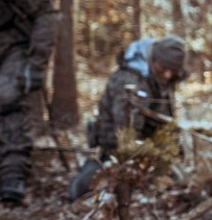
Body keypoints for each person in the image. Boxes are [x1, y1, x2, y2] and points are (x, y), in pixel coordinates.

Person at [68, 35, 188, 200]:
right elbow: (126, 131)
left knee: (179, 183)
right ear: (154, 59)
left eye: (173, 71)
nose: (167, 75)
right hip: (117, 150)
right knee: (87, 188)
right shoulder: (128, 80)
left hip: (151, 151)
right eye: (163, 68)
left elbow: (166, 120)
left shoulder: (162, 79)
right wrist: (141, 155)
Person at [0, 0, 58, 205]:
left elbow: (46, 15)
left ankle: (12, 175)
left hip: (16, 45)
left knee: (6, 97)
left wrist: (36, 64)